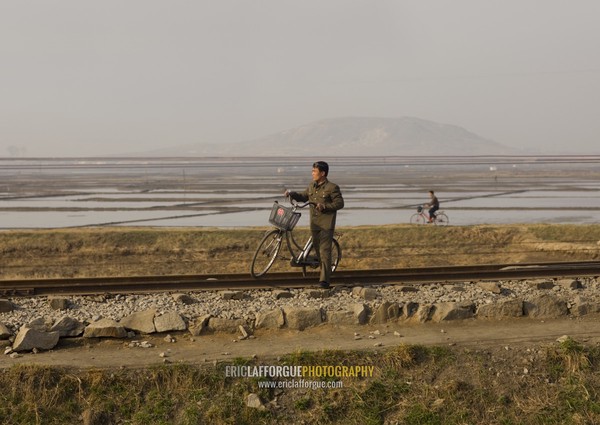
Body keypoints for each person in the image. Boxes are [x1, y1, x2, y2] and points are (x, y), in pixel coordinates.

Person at [285, 161, 344, 289]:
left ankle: (324, 281)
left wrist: (325, 206)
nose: (312, 173)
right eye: (312, 171)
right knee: (318, 251)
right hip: (314, 224)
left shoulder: (332, 187)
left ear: (322, 173)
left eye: (314, 171)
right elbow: (303, 196)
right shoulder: (312, 185)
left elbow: (340, 203)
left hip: (326, 224)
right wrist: (292, 194)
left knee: (324, 251)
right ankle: (323, 273)